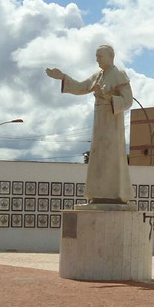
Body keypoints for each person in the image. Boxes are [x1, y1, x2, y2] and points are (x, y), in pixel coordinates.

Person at [46, 45, 133, 204]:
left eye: (100, 56)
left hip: (112, 122)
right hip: (99, 122)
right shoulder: (97, 76)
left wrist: (107, 98)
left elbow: (128, 101)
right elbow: (81, 87)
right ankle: (97, 194)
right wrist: (63, 77)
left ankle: (115, 195)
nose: (97, 59)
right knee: (98, 157)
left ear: (110, 57)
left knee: (112, 157)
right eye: (96, 56)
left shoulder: (119, 75)